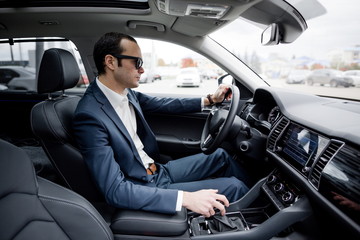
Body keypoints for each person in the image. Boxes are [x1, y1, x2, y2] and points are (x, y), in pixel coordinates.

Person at [73, 32, 249, 217]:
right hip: (144, 184)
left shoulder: (126, 93)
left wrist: (210, 99)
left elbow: (164, 103)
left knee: (220, 155)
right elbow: (114, 190)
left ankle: (260, 194)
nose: (142, 70)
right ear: (110, 62)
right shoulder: (89, 117)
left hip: (158, 170)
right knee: (234, 187)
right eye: (137, 63)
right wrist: (185, 198)